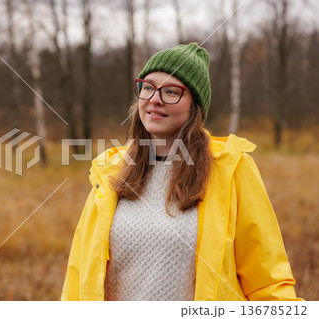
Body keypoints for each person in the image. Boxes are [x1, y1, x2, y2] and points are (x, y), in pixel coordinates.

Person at [60, 42, 301, 301]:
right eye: (148, 87)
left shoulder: (231, 170)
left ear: (194, 107)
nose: (154, 99)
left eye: (171, 91)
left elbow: (267, 282)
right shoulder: (110, 173)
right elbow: (77, 281)